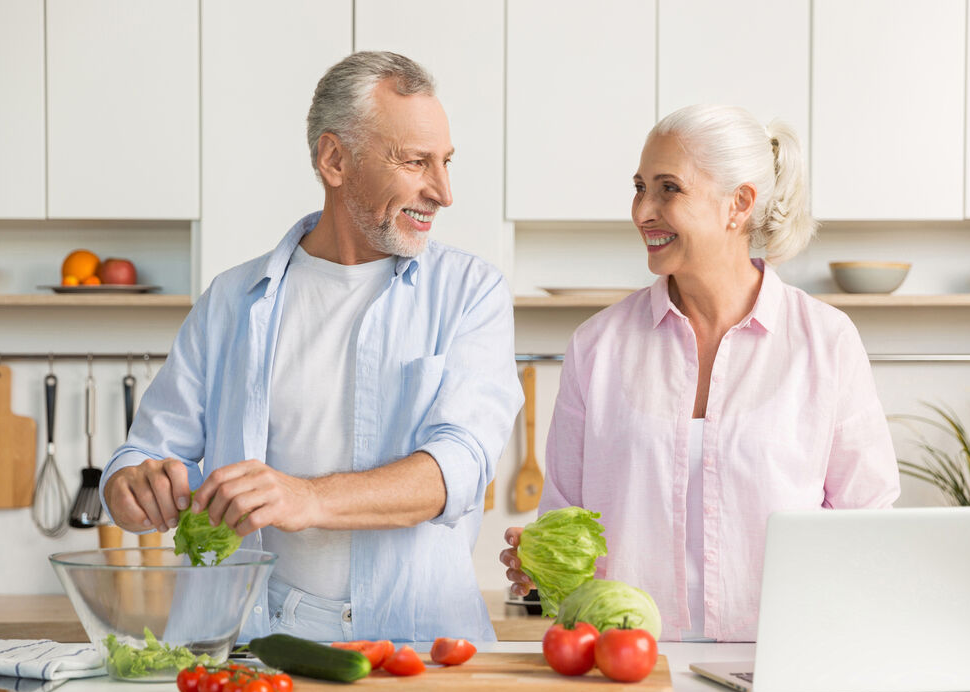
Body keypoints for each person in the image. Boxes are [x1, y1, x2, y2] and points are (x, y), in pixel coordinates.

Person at [101, 52, 523, 643]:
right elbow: (143, 453)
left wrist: (307, 498)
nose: (443, 192)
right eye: (415, 162)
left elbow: (457, 469)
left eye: (446, 162)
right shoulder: (229, 299)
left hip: (420, 647)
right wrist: (131, 487)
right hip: (241, 643)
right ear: (334, 160)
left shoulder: (470, 293)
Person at [500, 104, 900, 642]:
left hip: (779, 662)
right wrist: (538, 567)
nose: (643, 209)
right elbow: (565, 521)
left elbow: (867, 527)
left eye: (669, 189)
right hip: (624, 667)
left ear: (738, 204)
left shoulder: (825, 343)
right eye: (639, 186)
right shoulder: (597, 346)